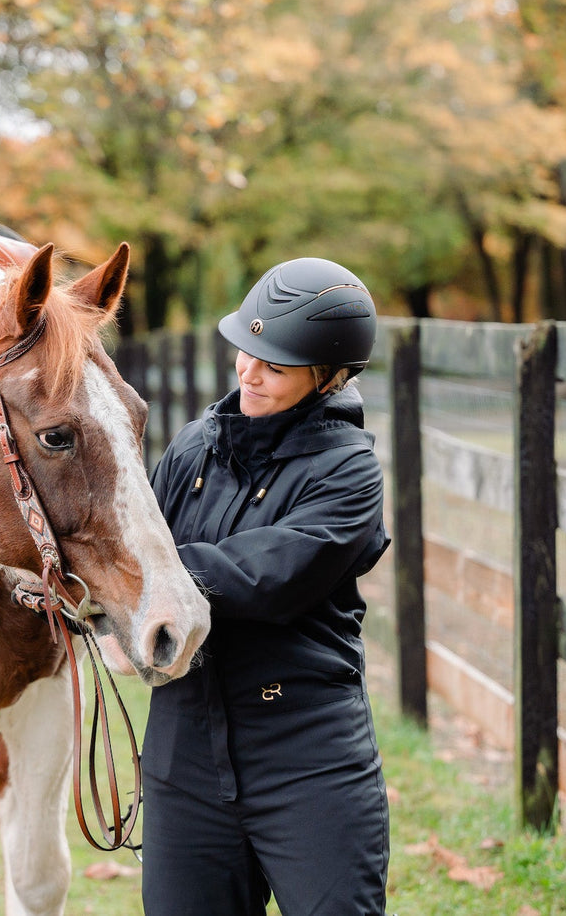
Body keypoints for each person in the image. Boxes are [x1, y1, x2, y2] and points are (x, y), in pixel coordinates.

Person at [141, 257, 392, 916]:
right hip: (182, 753)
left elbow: (265, 577)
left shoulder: (349, 473)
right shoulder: (192, 448)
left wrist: (144, 577)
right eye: (244, 351)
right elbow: (126, 545)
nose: (248, 372)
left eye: (275, 366)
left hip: (306, 758)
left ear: (329, 376)